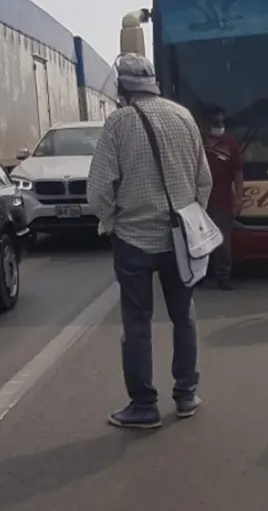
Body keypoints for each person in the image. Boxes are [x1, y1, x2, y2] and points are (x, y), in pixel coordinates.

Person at [87, 53, 212, 429]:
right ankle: (186, 394)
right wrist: (191, 217)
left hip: (134, 240)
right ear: (153, 82)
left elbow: (98, 189)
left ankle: (143, 406)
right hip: (180, 239)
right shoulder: (183, 116)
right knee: (184, 317)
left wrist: (109, 222)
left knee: (137, 322)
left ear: (122, 86)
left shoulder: (118, 123)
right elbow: (203, 179)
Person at [200, 105, 244, 291]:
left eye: (222, 122)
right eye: (216, 122)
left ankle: (223, 276)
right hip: (199, 199)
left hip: (222, 200)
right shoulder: (198, 142)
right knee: (199, 240)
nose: (219, 125)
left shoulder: (230, 144)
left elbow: (238, 172)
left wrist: (239, 198)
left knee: (222, 241)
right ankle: (200, 275)